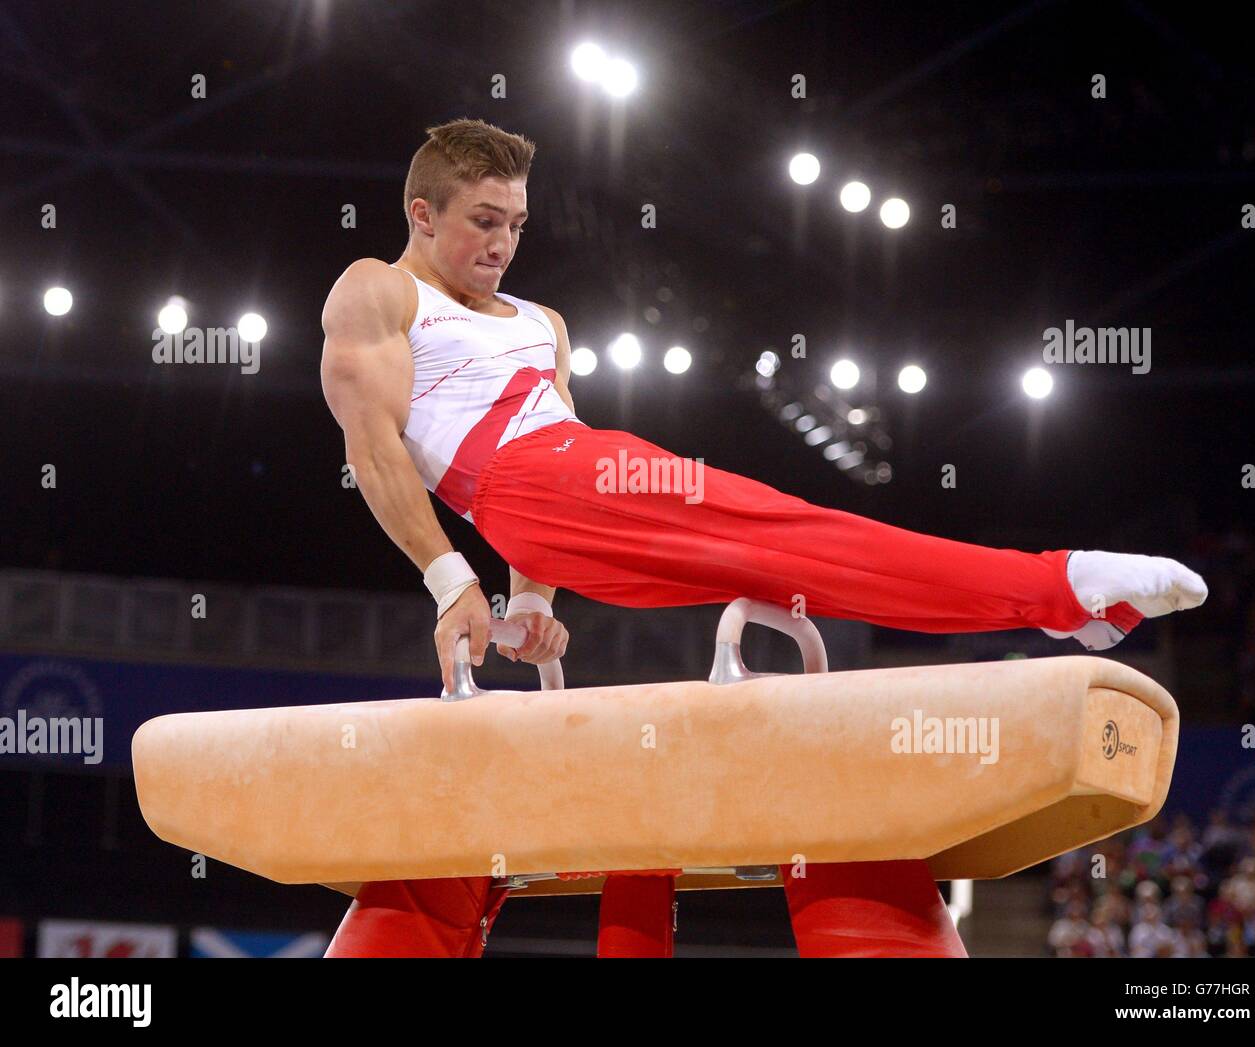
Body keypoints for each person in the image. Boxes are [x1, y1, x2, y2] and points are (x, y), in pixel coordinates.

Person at [318, 118, 1208, 959]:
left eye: (516, 223)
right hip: (531, 481)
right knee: (794, 535)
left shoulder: (542, 323)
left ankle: (1048, 598)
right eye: (483, 221)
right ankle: (1055, 590)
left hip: (577, 484)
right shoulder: (379, 289)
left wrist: (532, 598)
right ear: (421, 214)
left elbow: (549, 493)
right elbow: (372, 447)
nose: (503, 242)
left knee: (802, 556)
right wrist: (450, 583)